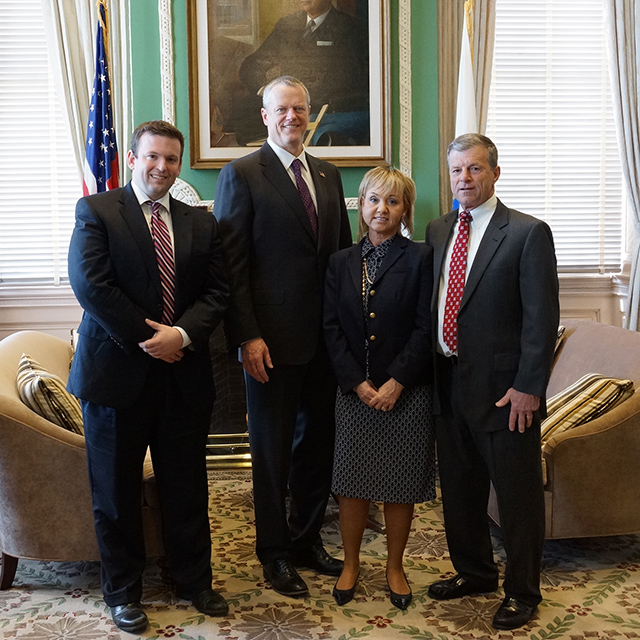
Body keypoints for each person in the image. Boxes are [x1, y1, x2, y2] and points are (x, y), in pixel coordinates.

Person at [67, 121, 230, 633]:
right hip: (116, 378)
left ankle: (193, 580)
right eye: (153, 157)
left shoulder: (201, 223)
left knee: (187, 485)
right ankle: (123, 591)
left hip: (183, 376)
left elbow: (217, 294)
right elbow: (92, 286)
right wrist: (150, 337)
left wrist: (179, 336)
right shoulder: (97, 211)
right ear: (134, 158)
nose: (162, 167)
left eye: (172, 160)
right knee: (115, 493)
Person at [215, 76, 352, 598]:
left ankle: (305, 539)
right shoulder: (242, 174)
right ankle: (273, 553)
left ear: (309, 114)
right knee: (271, 453)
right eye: (282, 110)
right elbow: (233, 267)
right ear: (265, 117)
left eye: (299, 109)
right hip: (268, 344)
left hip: (325, 343)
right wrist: (247, 336)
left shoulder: (329, 173)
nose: (292, 117)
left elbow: (339, 258)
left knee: (318, 446)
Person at [424, 133, 559, 630]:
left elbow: (541, 321)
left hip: (507, 393)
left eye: (475, 169)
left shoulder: (526, 232)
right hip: (447, 382)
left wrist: (530, 385)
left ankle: (523, 591)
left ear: (495, 172)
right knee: (459, 489)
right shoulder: (438, 229)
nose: (465, 179)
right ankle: (474, 572)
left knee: (517, 496)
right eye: (457, 170)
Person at [323, 166, 435, 610]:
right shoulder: (339, 262)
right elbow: (330, 328)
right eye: (373, 199)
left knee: (400, 484)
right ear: (362, 205)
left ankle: (394, 566)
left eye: (392, 201)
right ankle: (350, 564)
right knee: (351, 483)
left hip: (406, 393)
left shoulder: (422, 257)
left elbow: (427, 328)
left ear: (404, 209)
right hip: (354, 393)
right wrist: (357, 382)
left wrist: (396, 382)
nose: (381, 209)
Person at [238, 0, 369, 145]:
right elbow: (251, 66)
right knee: (243, 128)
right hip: (288, 111)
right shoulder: (287, 26)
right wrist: (267, 91)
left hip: (330, 114)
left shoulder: (351, 28)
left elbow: (356, 81)